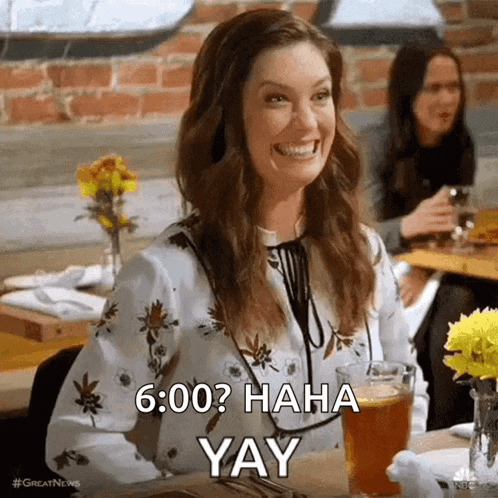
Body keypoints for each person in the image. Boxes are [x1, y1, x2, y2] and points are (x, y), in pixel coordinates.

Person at [46, 9, 428, 492]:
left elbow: (408, 389)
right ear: (227, 118)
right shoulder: (166, 276)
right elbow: (78, 437)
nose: (307, 122)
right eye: (276, 99)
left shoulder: (365, 252)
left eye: (320, 96)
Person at [363, 43, 485, 431]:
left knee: (481, 292)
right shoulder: (375, 145)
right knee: (459, 300)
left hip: (432, 262)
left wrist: (423, 265)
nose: (446, 99)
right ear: (408, 92)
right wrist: (407, 227)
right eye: (433, 88)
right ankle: (442, 430)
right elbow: (356, 236)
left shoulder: (460, 143)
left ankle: (480, 422)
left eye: (453, 87)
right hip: (378, 264)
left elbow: (453, 228)